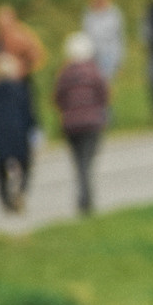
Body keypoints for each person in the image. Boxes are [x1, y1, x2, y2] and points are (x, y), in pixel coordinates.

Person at [54, 32, 111, 216]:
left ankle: (84, 198)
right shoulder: (94, 72)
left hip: (71, 125)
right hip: (92, 123)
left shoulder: (64, 74)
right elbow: (104, 94)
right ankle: (86, 200)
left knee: (79, 163)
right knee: (87, 162)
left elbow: (57, 98)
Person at [0, 53, 38, 213]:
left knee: (0, 169)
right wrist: (33, 128)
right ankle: (21, 191)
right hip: (19, 134)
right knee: (25, 164)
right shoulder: (21, 90)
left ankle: (5, 198)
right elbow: (29, 113)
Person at [82, 0, 127, 88]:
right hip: (92, 55)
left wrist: (119, 60)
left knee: (105, 85)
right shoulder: (89, 14)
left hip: (109, 54)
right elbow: (85, 35)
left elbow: (120, 38)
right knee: (92, 85)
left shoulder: (114, 14)